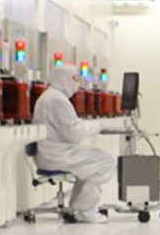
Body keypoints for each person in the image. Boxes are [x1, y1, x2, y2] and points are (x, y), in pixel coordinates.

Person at [32, 63, 117, 224]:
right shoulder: (57, 98)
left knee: (93, 163)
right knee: (105, 161)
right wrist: (97, 127)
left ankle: (79, 206)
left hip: (52, 151)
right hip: (55, 154)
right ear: (63, 79)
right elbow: (74, 133)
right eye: (74, 79)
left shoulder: (51, 96)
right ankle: (85, 209)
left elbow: (70, 127)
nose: (76, 83)